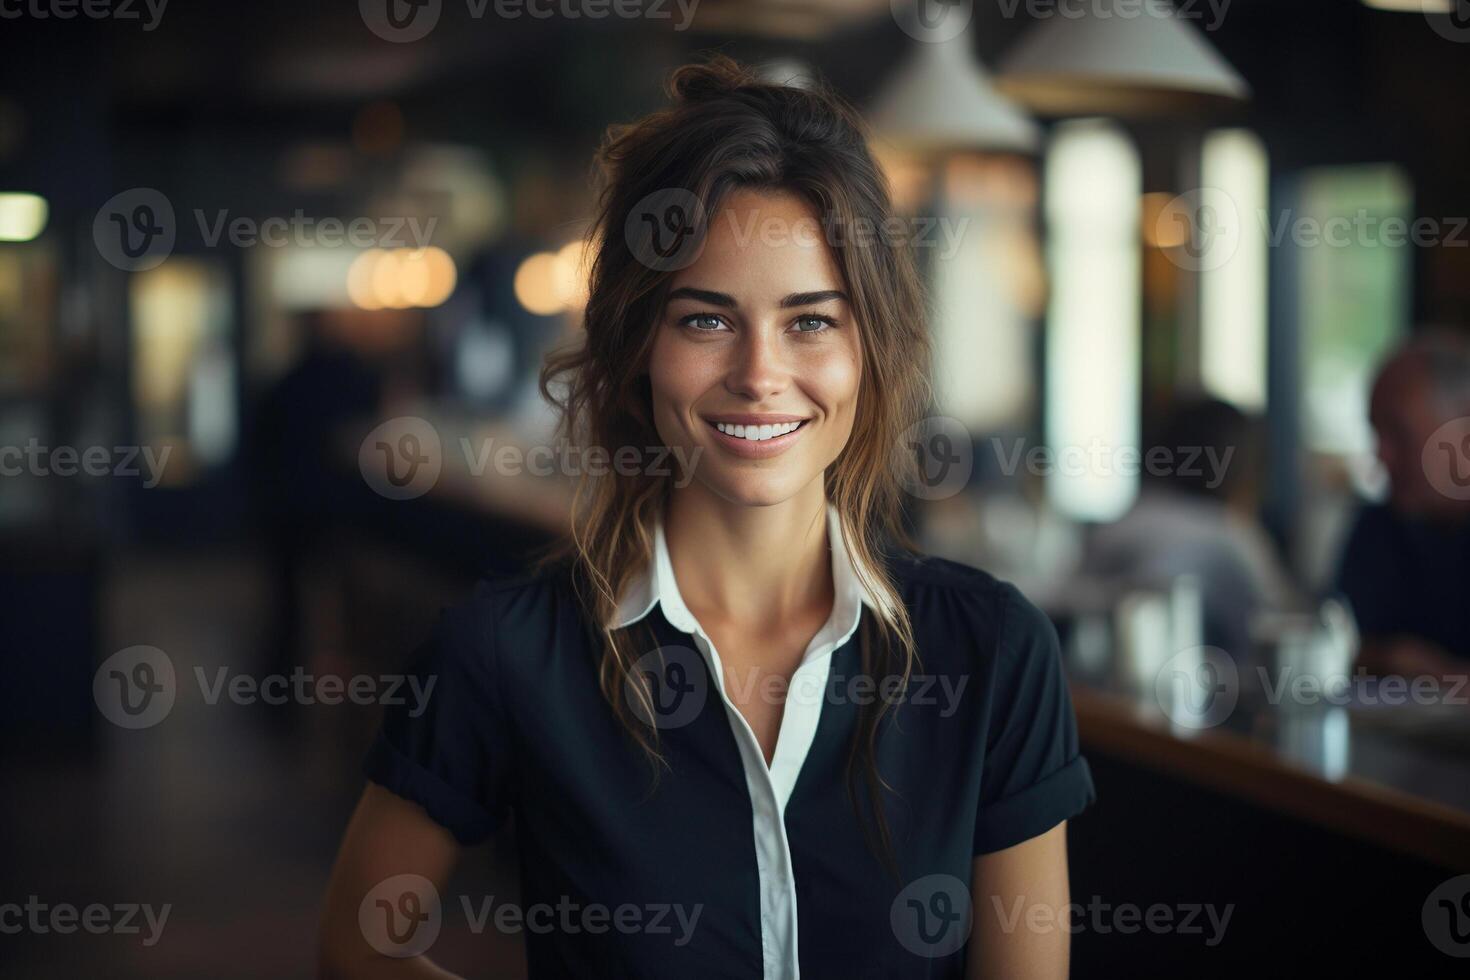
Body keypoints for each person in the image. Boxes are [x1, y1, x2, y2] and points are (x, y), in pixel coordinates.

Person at [318, 56, 1095, 979]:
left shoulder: (994, 652)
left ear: (870, 351)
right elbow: (355, 946)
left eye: (810, 321)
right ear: (637, 348)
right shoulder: (509, 653)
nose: (760, 374)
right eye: (706, 321)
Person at [1082, 396, 1301, 659]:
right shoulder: (1233, 538)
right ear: (1244, 473)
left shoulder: (1121, 524)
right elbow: (1284, 623)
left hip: (1093, 691)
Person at [1333, 327, 1470, 679]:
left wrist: (1445, 677)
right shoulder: (1380, 526)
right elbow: (1334, 638)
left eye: (1398, 432)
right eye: (1375, 433)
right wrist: (1385, 660)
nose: (1380, 455)